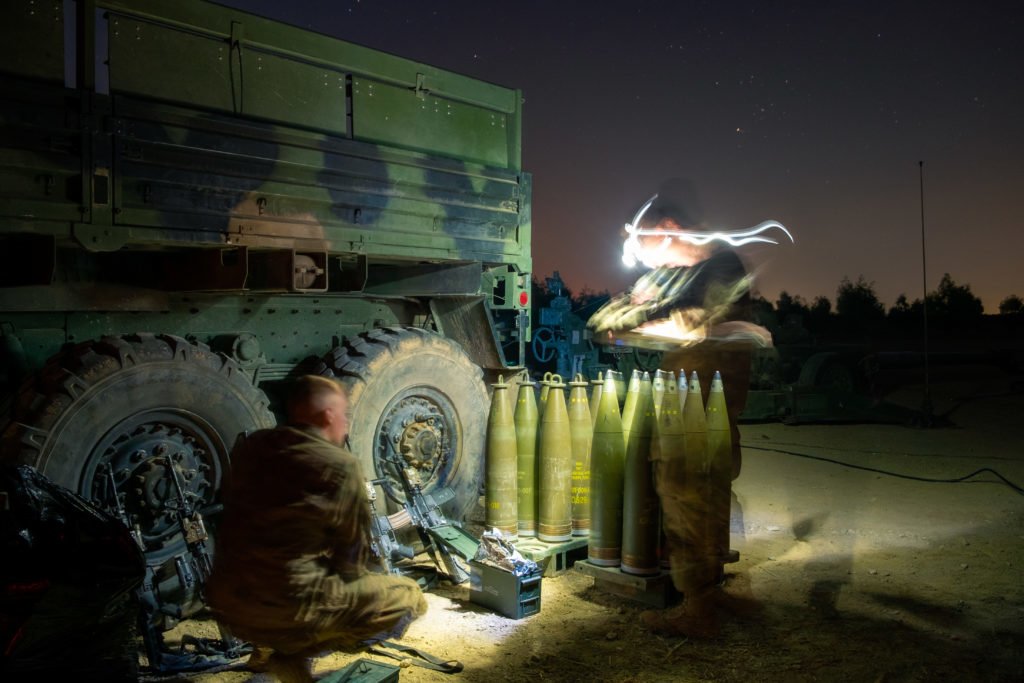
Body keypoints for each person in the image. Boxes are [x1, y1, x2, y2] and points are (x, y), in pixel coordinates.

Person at [590, 191, 789, 638]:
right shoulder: (694, 271)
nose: (639, 256)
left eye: (640, 243)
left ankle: (698, 607)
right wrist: (629, 321)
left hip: (697, 406)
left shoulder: (718, 266)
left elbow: (695, 323)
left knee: (686, 496)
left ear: (667, 230)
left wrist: (639, 325)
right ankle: (711, 591)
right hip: (699, 401)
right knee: (707, 495)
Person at [206, 375, 427, 682]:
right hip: (289, 607)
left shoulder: (252, 447)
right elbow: (350, 565)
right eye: (344, 416)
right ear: (328, 416)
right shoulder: (339, 465)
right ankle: (294, 651)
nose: (346, 425)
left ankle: (286, 657)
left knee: (302, 581)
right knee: (409, 596)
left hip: (229, 601)